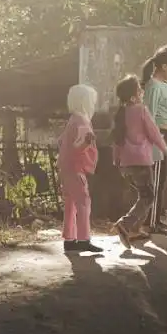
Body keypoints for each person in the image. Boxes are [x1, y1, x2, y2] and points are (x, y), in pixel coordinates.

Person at [110, 75, 167, 248]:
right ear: (132, 97)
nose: (143, 92)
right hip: (141, 161)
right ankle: (126, 224)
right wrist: (164, 147)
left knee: (142, 195)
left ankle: (135, 229)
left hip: (125, 164)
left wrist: (116, 160)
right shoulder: (141, 110)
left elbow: (117, 140)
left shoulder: (120, 114)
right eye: (139, 90)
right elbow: (153, 132)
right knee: (148, 196)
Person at [141, 45, 167, 234]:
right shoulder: (154, 86)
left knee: (161, 179)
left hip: (165, 136)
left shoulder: (162, 85)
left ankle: (156, 218)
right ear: (164, 66)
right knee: (156, 180)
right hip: (159, 137)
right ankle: (151, 223)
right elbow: (149, 115)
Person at [57, 84, 102, 253]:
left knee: (70, 203)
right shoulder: (83, 120)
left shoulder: (72, 119)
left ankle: (69, 239)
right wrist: (87, 142)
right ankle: (83, 239)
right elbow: (78, 146)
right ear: (85, 101)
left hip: (66, 166)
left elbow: (61, 142)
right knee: (83, 202)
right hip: (76, 168)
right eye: (92, 101)